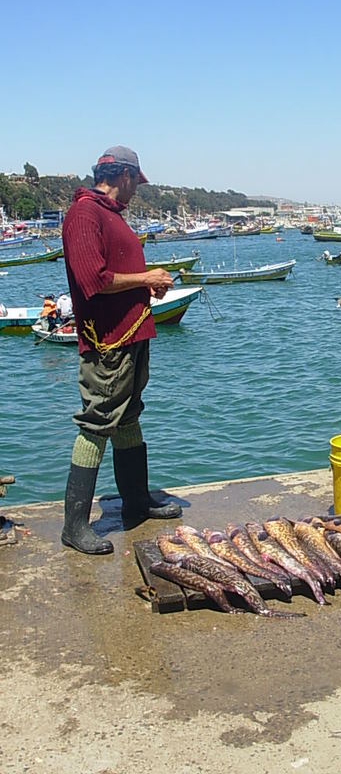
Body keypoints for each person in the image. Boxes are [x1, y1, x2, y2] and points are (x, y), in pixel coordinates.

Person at [61, 145, 182, 555]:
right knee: (98, 422)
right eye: (136, 183)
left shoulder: (110, 214)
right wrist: (145, 278)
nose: (136, 190)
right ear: (125, 176)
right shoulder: (84, 214)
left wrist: (144, 285)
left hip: (130, 336)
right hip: (107, 342)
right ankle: (75, 525)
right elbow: (91, 279)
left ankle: (136, 502)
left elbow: (115, 274)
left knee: (128, 416)